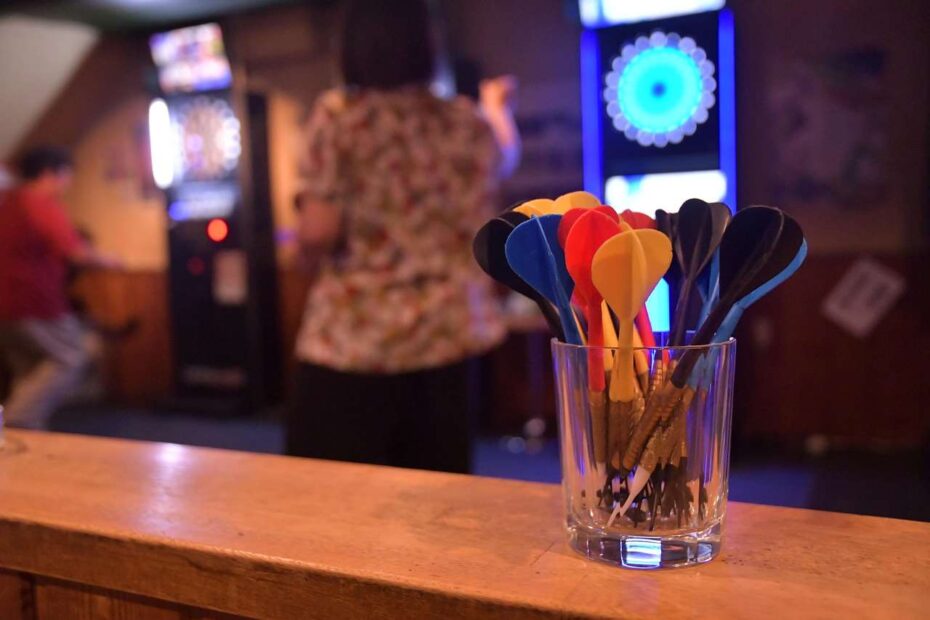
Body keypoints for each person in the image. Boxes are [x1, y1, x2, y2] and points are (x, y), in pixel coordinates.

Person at [288, 0, 520, 473]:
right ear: (426, 41)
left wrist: (301, 251)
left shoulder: (340, 118)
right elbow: (505, 158)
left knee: (329, 509)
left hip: (353, 343)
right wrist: (497, 106)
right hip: (446, 339)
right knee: (436, 510)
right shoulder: (463, 121)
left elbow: (318, 230)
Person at [0, 146, 119, 430]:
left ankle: (27, 448)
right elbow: (75, 252)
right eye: (66, 175)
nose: (67, 183)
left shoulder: (7, 202)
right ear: (49, 174)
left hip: (5, 306)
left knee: (28, 370)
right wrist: (111, 260)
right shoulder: (39, 204)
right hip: (35, 301)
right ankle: (16, 422)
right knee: (73, 356)